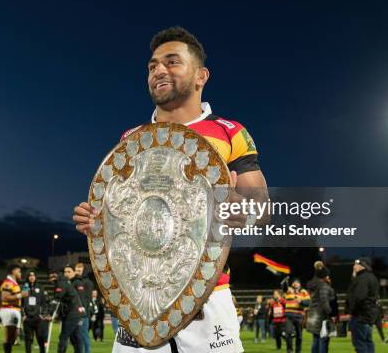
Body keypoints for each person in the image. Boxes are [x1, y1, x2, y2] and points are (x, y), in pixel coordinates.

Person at [72, 26, 268, 353]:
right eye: (152, 66)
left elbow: (261, 207)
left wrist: (241, 210)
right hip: (138, 303)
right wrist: (96, 221)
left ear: (201, 75)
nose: (158, 70)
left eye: (172, 62)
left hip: (208, 299)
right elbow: (125, 216)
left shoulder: (229, 131)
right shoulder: (131, 139)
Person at [346, 257, 379, 353]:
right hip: (368, 316)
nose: (354, 266)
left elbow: (359, 298)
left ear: (363, 266)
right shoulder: (371, 277)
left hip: (360, 316)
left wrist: (351, 311)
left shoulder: (362, 279)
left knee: (360, 344)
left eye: (356, 264)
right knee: (368, 342)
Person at [53, 266, 85, 353]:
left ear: (74, 272)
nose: (66, 273)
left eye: (69, 271)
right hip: (70, 313)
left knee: (68, 336)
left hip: (75, 313)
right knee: (75, 337)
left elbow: (80, 298)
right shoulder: (67, 282)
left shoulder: (77, 282)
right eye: (65, 272)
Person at [306, 261, 333, 353]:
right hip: (321, 315)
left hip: (313, 314)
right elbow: (324, 300)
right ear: (324, 276)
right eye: (327, 275)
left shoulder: (313, 284)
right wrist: (330, 312)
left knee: (316, 339)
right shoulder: (323, 285)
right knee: (323, 339)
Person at [0, 265, 28, 353]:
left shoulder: (14, 283)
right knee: (9, 337)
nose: (20, 273)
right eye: (19, 271)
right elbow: (4, 297)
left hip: (14, 310)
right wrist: (20, 295)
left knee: (14, 337)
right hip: (9, 310)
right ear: (14, 271)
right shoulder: (8, 282)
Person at [283, 278, 310, 353]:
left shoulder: (303, 291)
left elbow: (308, 302)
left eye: (297, 282)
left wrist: (301, 302)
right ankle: (289, 350)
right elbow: (283, 287)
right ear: (292, 284)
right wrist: (285, 281)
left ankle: (298, 351)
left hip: (299, 316)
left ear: (300, 284)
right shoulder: (288, 290)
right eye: (294, 282)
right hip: (289, 315)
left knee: (299, 336)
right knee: (288, 333)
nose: (295, 283)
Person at [70, 264, 93, 353]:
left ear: (84, 271)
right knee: (76, 336)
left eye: (80, 270)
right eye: (76, 270)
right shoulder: (74, 281)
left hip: (83, 314)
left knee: (84, 335)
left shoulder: (88, 283)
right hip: (74, 313)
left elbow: (87, 299)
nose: (78, 272)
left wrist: (84, 312)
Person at [22, 271, 46, 353]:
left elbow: (44, 302)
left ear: (36, 277)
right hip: (27, 318)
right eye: (30, 275)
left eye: (33, 275)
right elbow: (21, 302)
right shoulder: (24, 287)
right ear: (27, 277)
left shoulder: (40, 287)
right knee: (28, 339)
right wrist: (23, 314)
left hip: (37, 317)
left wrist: (42, 314)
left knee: (40, 337)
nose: (32, 277)